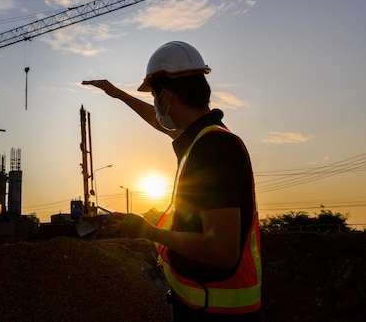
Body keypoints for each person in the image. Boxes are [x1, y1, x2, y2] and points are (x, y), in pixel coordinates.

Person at [82, 41, 263, 321]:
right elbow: (158, 121)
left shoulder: (213, 150)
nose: (156, 107)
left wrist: (148, 231)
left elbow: (222, 252)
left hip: (217, 312)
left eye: (155, 98)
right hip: (203, 303)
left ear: (166, 97)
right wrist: (117, 94)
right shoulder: (202, 138)